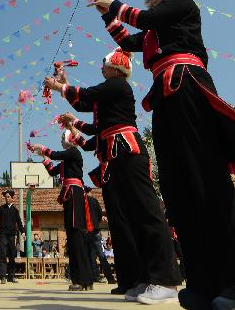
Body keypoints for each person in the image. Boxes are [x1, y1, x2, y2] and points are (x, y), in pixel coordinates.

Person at [84, 0, 235, 310]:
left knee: (206, 179)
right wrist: (106, 15)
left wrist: (113, 4)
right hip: (166, 96)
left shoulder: (184, 7)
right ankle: (205, 284)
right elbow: (129, 40)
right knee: (178, 188)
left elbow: (140, 20)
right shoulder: (159, 30)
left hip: (187, 85)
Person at [51, 48, 180, 302]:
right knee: (131, 218)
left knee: (146, 212)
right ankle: (144, 278)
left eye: (104, 65)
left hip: (128, 151)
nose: (101, 68)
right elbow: (87, 112)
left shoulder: (118, 86)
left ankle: (166, 280)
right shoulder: (110, 95)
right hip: (117, 155)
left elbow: (86, 97)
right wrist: (66, 91)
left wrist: (57, 87)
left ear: (116, 68)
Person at [30, 132, 95, 293]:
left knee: (76, 234)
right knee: (73, 236)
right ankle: (83, 279)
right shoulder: (68, 159)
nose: (61, 141)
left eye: (62, 138)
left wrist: (43, 149)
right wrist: (43, 157)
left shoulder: (73, 151)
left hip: (74, 193)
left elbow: (56, 154)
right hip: (70, 194)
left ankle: (81, 279)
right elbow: (53, 171)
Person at [84, 189, 115, 284]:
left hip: (85, 231)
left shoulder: (81, 202)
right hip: (95, 230)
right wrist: (95, 223)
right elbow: (99, 215)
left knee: (91, 256)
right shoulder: (94, 201)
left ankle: (95, 277)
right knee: (101, 255)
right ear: (89, 192)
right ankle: (109, 277)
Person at [0, 190, 23, 284]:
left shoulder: (15, 210)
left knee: (12, 255)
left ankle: (11, 276)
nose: (6, 198)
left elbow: (19, 222)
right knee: (2, 255)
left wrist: (23, 232)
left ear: (12, 198)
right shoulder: (1, 208)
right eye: (5, 197)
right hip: (3, 235)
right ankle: (3, 277)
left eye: (8, 197)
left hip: (12, 236)